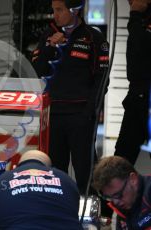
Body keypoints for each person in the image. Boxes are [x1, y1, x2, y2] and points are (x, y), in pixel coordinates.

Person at [32, 0, 109, 194]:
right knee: (55, 172)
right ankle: (59, 212)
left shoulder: (94, 38)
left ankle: (91, 212)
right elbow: (37, 71)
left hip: (80, 116)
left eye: (59, 10)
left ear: (74, 11)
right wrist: (51, 47)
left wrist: (90, 112)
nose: (55, 15)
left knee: (86, 170)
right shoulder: (49, 35)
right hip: (53, 115)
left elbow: (102, 80)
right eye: (53, 10)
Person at [0, 150, 83, 229]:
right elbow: (73, 211)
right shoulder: (67, 180)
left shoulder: (0, 181)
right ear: (49, 167)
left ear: (17, 166)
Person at [114, 0, 151, 165]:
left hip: (147, 94)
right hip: (137, 93)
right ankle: (114, 190)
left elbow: (140, 47)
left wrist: (135, 15)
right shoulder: (142, 18)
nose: (131, 2)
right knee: (122, 157)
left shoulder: (139, 19)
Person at [93, 156, 151, 229]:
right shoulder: (123, 213)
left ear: (133, 179)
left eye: (118, 194)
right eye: (110, 198)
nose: (116, 202)